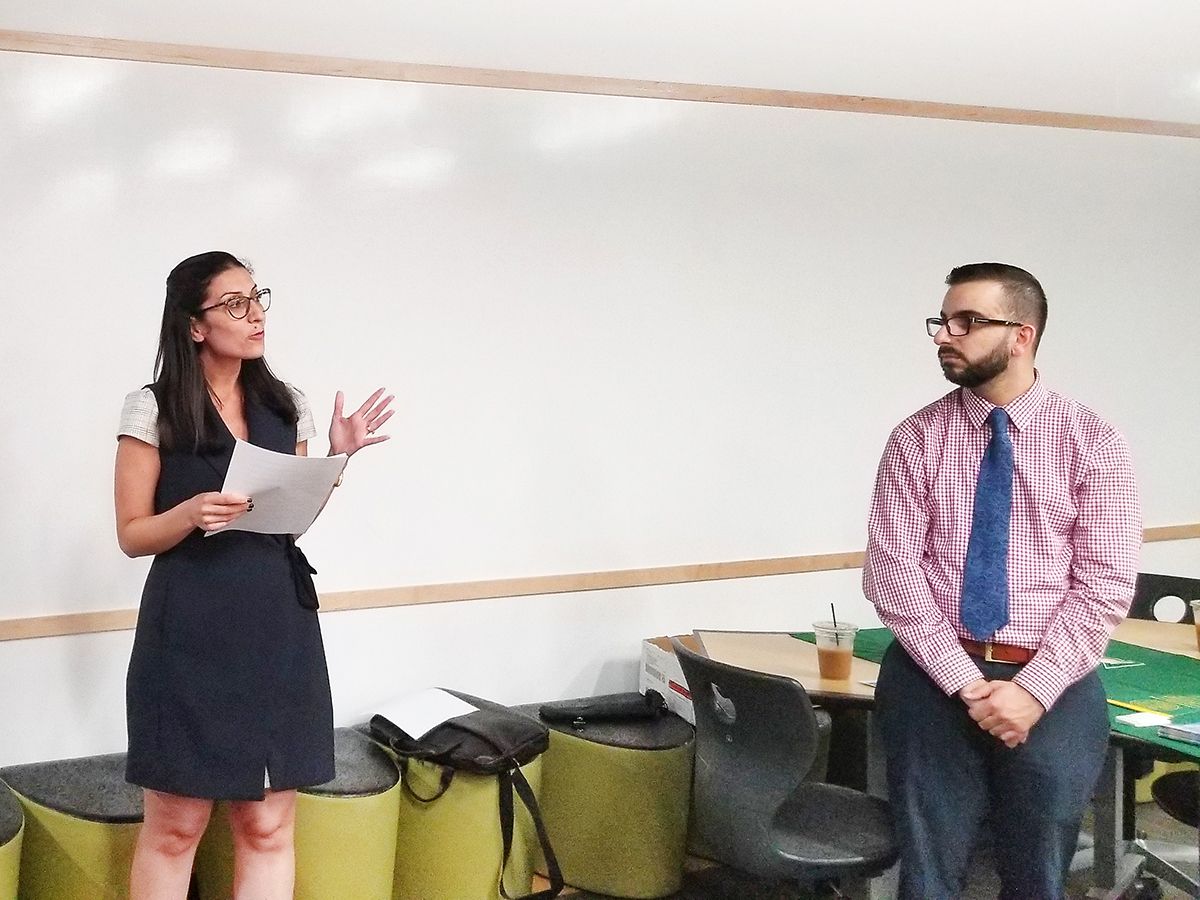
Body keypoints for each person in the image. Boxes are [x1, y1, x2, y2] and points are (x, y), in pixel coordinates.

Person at [114, 251, 394, 899]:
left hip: (277, 626)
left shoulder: (283, 403)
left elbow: (286, 525)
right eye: (235, 303)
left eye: (257, 298)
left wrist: (337, 458)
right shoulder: (151, 409)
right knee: (177, 826)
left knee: (268, 825)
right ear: (194, 325)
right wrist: (186, 512)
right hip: (186, 630)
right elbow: (132, 534)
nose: (255, 314)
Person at [863, 262, 1142, 899]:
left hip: (1053, 683)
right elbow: (895, 576)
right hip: (932, 678)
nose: (944, 335)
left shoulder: (1093, 440)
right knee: (928, 875)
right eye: (941, 321)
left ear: (1021, 335)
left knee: (1038, 875)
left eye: (965, 322)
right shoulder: (916, 439)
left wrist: (1032, 692)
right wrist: (968, 685)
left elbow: (1103, 583)